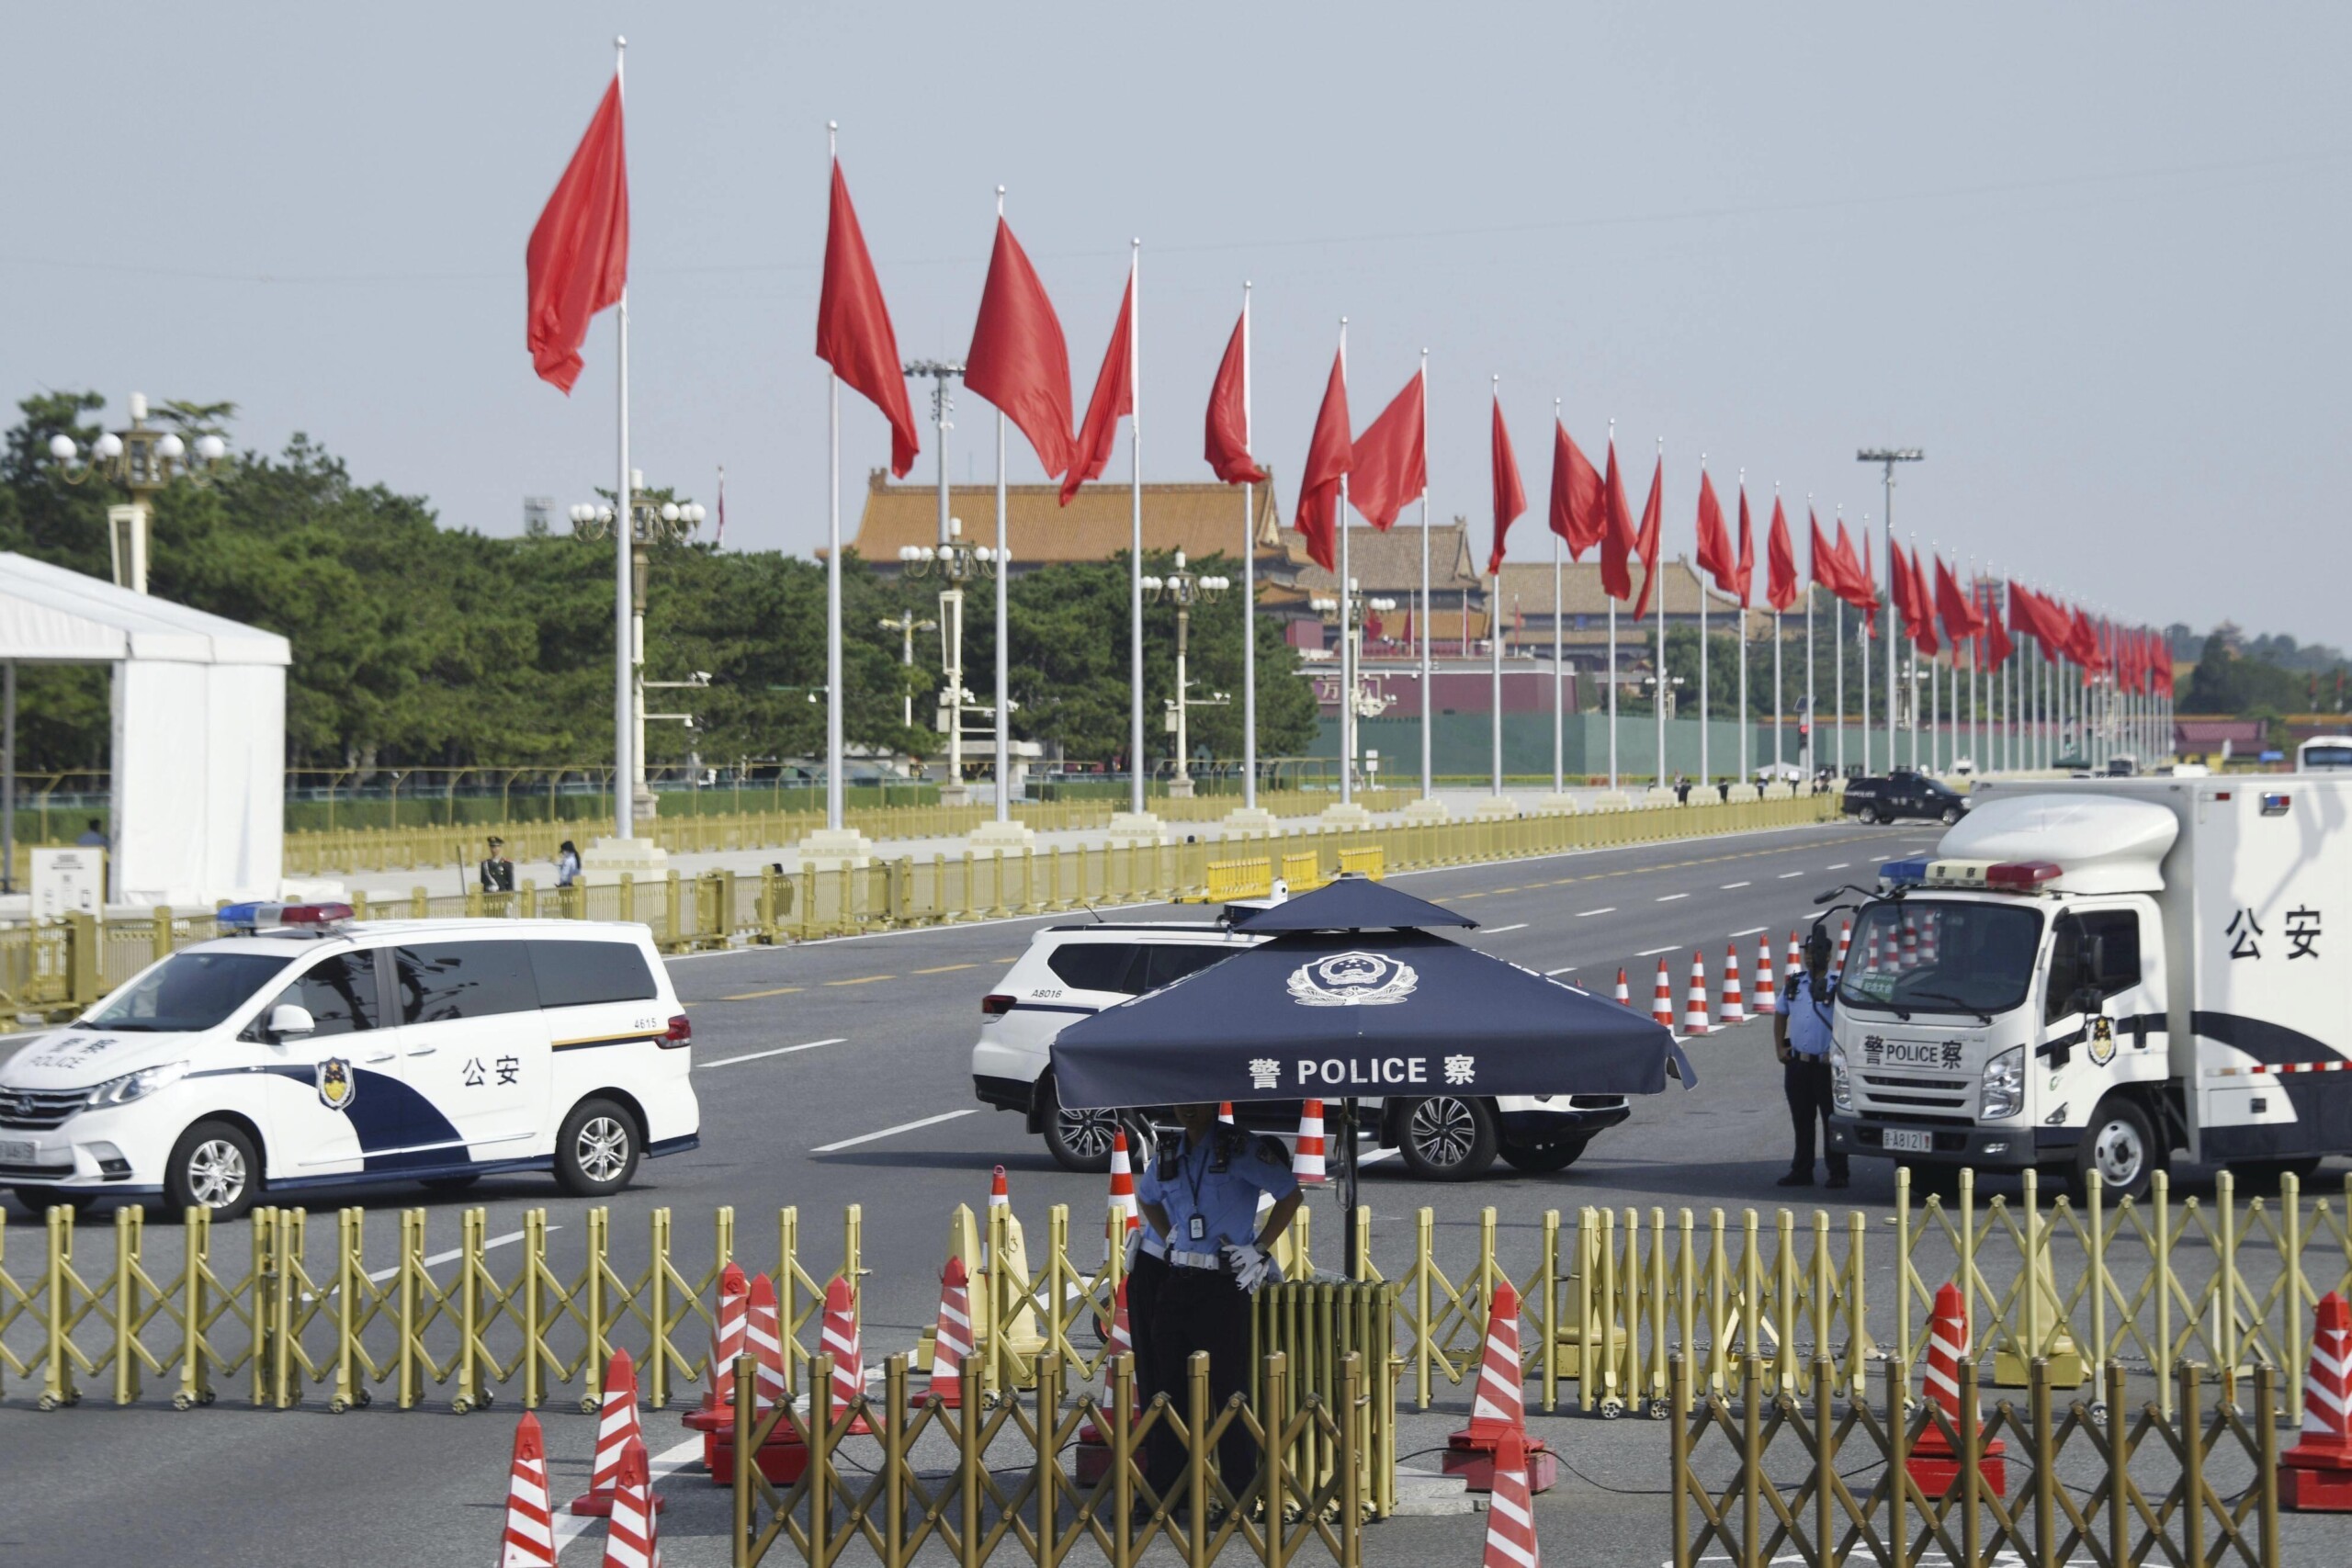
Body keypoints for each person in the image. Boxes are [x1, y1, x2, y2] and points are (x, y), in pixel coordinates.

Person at [1134, 1103, 1302, 1505]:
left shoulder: (1240, 1147)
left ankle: (1240, 1494)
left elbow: (1290, 1195)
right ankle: (1167, 1494)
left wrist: (1259, 1248)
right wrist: (1168, 1235)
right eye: (1181, 1106)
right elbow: (1148, 1197)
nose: (1187, 1112)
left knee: (1230, 1390)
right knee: (1167, 1390)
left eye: (1196, 1105)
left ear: (1212, 1104)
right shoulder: (1170, 1152)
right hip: (1178, 1280)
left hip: (1223, 1284)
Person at [1775, 926, 1849, 1189]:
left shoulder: (1838, 985)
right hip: (1799, 1063)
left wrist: (1838, 1053)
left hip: (1827, 1065)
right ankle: (1802, 1169)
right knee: (1802, 1120)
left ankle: (1838, 1172)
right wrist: (1780, 1048)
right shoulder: (1795, 982)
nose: (1809, 957)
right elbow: (1781, 1012)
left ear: (1828, 955)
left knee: (1832, 1120)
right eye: (1806, 952)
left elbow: (1847, 1022)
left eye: (1815, 951)